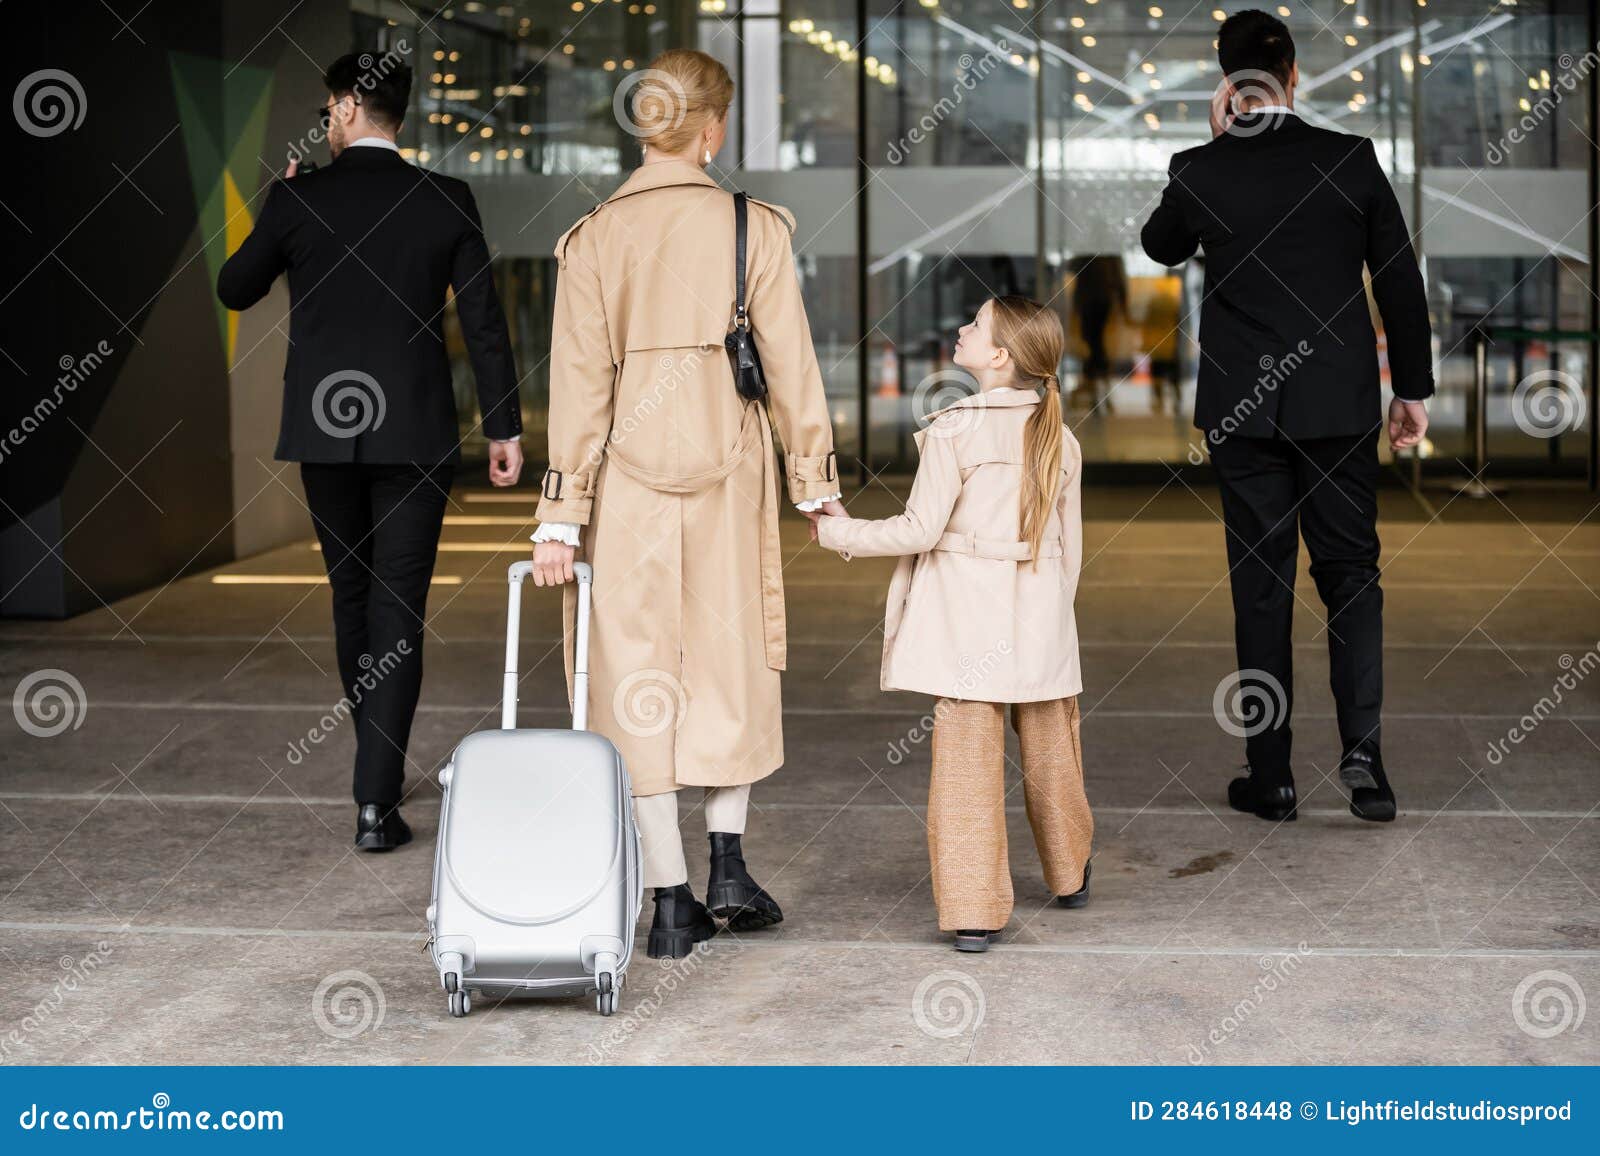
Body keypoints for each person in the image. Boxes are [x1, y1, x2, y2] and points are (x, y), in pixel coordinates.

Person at [528, 49, 840, 959]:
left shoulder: (592, 238)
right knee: (732, 659)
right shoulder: (755, 227)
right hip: (731, 470)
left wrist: (560, 516)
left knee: (633, 673)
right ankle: (730, 864)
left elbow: (579, 387)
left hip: (627, 481)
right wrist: (815, 485)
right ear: (713, 129)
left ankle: (669, 902)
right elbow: (791, 367)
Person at [218, 52, 523, 850]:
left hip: (325, 432)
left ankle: (373, 781)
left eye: (329, 107)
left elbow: (233, 287)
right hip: (417, 434)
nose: (327, 118)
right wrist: (504, 427)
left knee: (350, 594)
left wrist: (276, 204)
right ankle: (374, 798)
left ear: (351, 108)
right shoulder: (446, 199)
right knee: (399, 607)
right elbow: (485, 324)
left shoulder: (298, 199)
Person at [1139, 10, 1432, 824]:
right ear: (1294, 74)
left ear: (1228, 84)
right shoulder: (1350, 160)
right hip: (1339, 404)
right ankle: (1366, 766)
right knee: (1352, 576)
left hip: (1245, 414)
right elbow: (1399, 282)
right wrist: (1411, 389)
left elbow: (1160, 245)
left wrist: (1213, 145)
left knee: (1260, 587)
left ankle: (1270, 777)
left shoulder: (1202, 167)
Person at [810, 297, 1092, 953]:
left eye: (975, 323)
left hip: (968, 620)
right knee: (1054, 755)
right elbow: (1070, 549)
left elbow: (920, 530)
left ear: (998, 356)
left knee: (966, 766)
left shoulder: (955, 428)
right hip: (1042, 614)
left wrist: (837, 532)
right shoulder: (1060, 435)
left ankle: (973, 912)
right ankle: (1069, 872)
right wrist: (1052, 610)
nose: (962, 329)